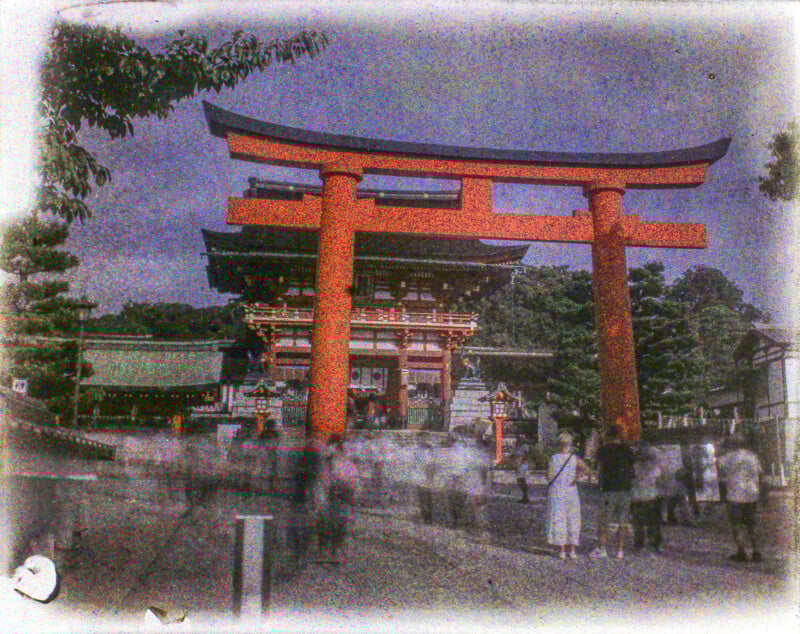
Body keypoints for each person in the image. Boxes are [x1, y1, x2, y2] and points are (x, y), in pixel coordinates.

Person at [589, 423, 636, 560]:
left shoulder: (603, 450)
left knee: (604, 521)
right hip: (625, 489)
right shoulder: (627, 450)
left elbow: (597, 463)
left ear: (607, 435)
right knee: (623, 521)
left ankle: (602, 548)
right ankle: (619, 550)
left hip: (608, 489)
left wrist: (597, 440)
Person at [717, 434, 764, 563]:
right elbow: (760, 474)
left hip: (735, 495)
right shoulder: (752, 456)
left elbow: (719, 473)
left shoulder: (726, 458)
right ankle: (756, 551)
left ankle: (742, 551)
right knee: (751, 524)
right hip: (752, 494)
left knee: (736, 524)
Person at [313, 434, 359, 564]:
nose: (332, 450)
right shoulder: (326, 463)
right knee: (324, 523)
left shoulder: (347, 463)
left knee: (340, 524)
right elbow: (321, 481)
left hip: (342, 498)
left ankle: (335, 550)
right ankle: (325, 550)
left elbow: (353, 482)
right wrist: (320, 499)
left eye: (336, 447)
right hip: (329, 496)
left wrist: (351, 495)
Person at [546, 431, 592, 560]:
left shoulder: (554, 458)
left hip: (557, 491)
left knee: (559, 518)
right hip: (571, 490)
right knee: (573, 518)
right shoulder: (574, 458)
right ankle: (572, 550)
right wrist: (577, 476)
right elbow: (588, 470)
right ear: (570, 444)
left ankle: (561, 549)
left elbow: (549, 476)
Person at [631, 443, 663, 554]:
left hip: (636, 497)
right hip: (651, 497)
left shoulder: (634, 467)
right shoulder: (655, 468)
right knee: (653, 523)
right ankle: (654, 545)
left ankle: (639, 545)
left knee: (638, 524)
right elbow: (659, 482)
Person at [513, 435, 531, 504]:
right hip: (518, 465)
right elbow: (514, 455)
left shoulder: (525, 446)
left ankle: (525, 497)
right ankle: (524, 497)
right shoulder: (516, 447)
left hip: (523, 465)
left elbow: (526, 455)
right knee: (519, 481)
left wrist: (520, 462)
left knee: (521, 480)